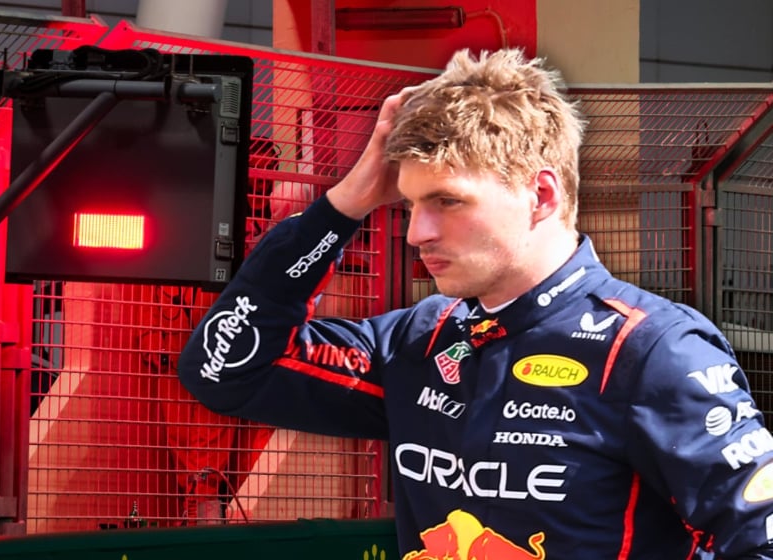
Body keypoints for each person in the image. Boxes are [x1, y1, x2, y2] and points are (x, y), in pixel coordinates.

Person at [177, 48, 773, 559]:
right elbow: (222, 371)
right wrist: (341, 209)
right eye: (409, 204)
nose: (416, 233)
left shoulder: (652, 350)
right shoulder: (418, 340)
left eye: (448, 201)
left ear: (540, 194)